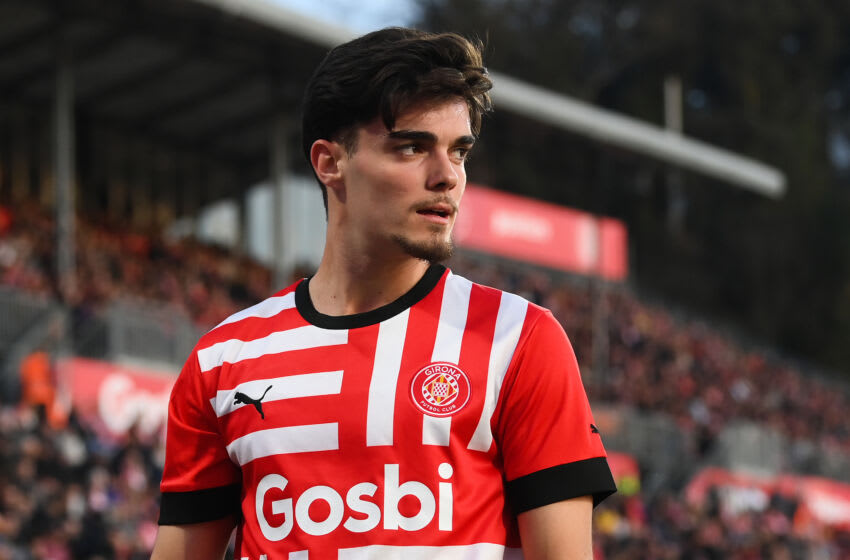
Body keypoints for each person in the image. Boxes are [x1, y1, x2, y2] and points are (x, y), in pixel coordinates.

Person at [151, 27, 616, 560]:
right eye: (412, 147)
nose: (446, 177)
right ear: (330, 163)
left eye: (458, 152)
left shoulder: (518, 338)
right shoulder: (221, 359)